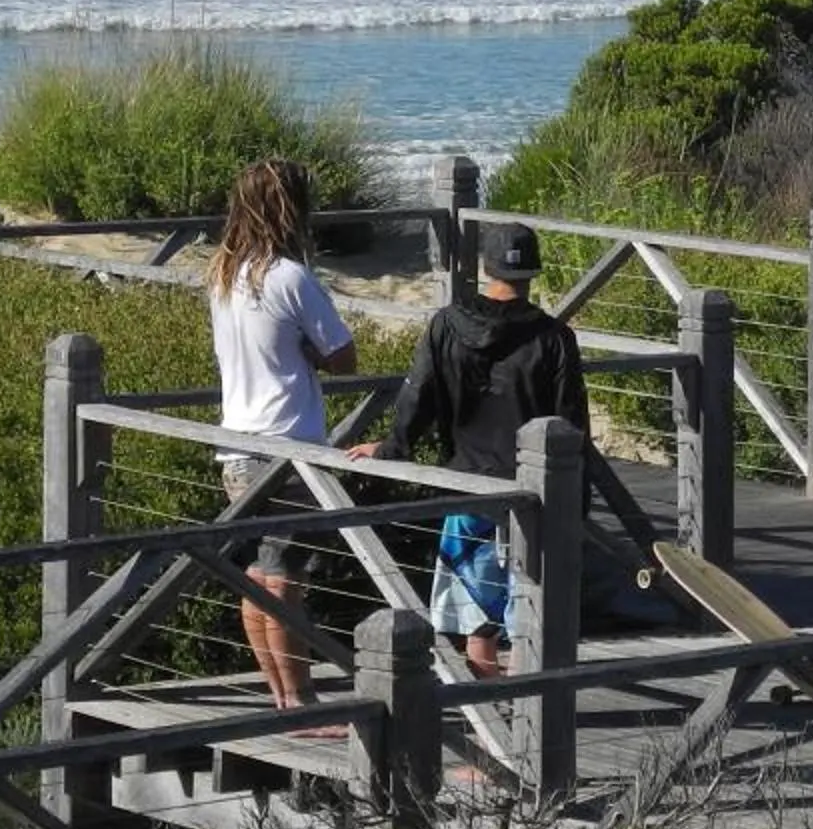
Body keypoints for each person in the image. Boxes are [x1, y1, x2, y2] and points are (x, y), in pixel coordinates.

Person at [350, 220, 589, 679]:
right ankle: (525, 716)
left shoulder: (447, 325)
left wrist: (391, 448)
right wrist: (577, 502)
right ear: (532, 273)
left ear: (486, 267)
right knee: (529, 613)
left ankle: (487, 725)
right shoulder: (554, 338)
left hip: (467, 486)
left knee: (476, 615)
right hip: (532, 493)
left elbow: (417, 395)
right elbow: (571, 422)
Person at [207, 159, 355, 718]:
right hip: (287, 449)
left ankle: (280, 695)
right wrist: (313, 355)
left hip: (238, 447)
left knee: (256, 579)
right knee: (285, 583)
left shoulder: (225, 272)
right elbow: (344, 356)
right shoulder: (289, 276)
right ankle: (301, 699)